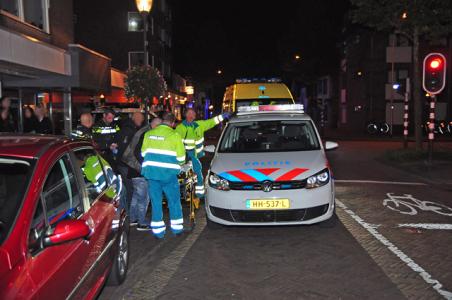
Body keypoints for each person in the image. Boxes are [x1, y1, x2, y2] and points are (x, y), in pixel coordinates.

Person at [141, 112, 185, 238]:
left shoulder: (148, 134)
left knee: (156, 202)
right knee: (174, 201)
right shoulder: (175, 135)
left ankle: (158, 232)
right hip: (168, 175)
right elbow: (181, 158)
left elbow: (144, 154)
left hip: (152, 175)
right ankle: (177, 229)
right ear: (172, 123)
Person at [175, 108, 230, 198]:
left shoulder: (199, 125)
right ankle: (199, 194)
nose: (191, 115)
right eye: (189, 113)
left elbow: (212, 122)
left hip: (198, 156)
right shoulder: (180, 128)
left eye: (193, 114)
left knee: (199, 174)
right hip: (187, 156)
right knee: (197, 175)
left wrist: (222, 116)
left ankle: (198, 193)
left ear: (195, 116)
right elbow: (177, 144)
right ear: (186, 115)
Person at [122, 116, 162, 231]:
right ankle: (142, 222)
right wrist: (145, 170)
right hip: (140, 170)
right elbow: (140, 154)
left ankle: (133, 219)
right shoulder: (147, 134)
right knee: (144, 198)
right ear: (156, 126)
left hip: (134, 170)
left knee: (136, 196)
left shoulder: (144, 131)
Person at [116, 112, 146, 215]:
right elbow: (126, 149)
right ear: (133, 117)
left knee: (130, 189)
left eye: (141, 119)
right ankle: (128, 214)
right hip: (125, 164)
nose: (140, 120)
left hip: (126, 164)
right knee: (129, 190)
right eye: (138, 118)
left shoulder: (132, 128)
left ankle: (129, 213)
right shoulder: (128, 130)